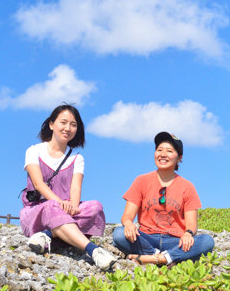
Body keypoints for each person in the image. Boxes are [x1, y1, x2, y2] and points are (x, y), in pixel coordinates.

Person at [19, 104, 116, 270]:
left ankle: (47, 235)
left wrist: (73, 206)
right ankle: (94, 251)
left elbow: (75, 189)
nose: (68, 128)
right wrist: (59, 203)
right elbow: (38, 184)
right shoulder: (34, 151)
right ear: (51, 124)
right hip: (38, 211)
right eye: (63, 122)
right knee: (51, 206)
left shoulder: (77, 158)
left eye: (73, 124)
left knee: (95, 207)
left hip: (65, 210)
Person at [113, 132, 214, 266]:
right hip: (146, 238)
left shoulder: (187, 186)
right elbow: (127, 216)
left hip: (175, 240)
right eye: (159, 150)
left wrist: (188, 234)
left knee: (207, 241)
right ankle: (164, 257)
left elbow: (192, 225)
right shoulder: (141, 181)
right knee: (119, 234)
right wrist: (129, 224)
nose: (163, 154)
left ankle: (156, 258)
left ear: (179, 158)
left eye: (169, 151)